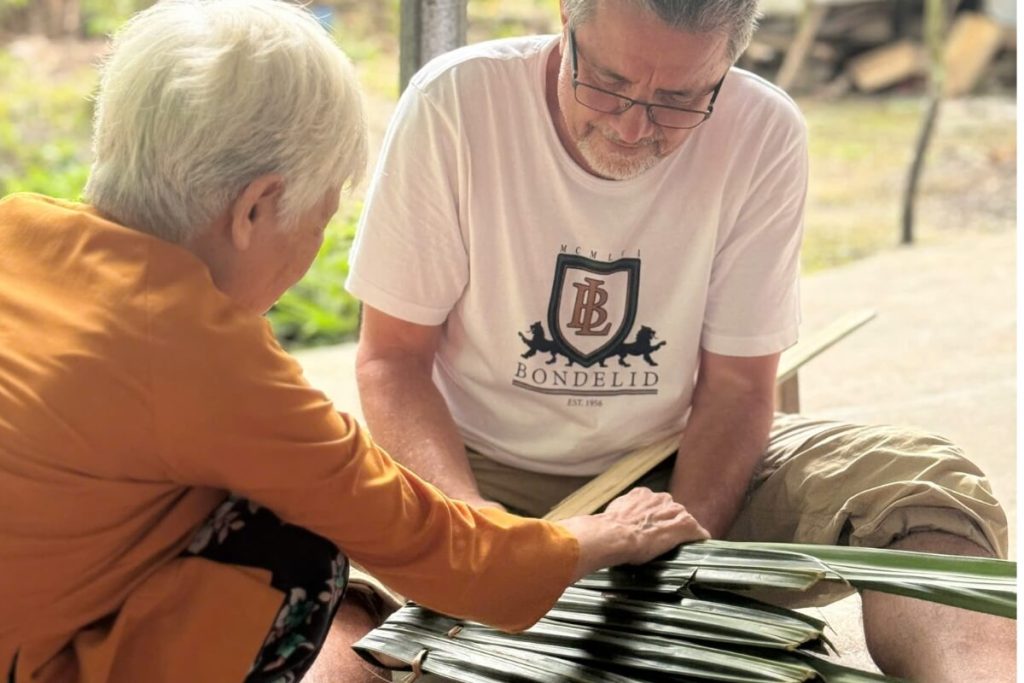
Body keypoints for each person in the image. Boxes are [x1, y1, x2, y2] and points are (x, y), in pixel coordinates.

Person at [0, 2, 714, 682]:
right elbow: (447, 555)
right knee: (295, 540)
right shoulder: (200, 355)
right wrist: (608, 533)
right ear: (255, 209)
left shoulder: (17, 226)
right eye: (321, 216)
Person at [346, 0, 1014, 680]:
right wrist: (484, 540)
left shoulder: (762, 130)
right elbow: (393, 360)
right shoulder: (459, 102)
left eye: (678, 99)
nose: (632, 126)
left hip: (671, 459)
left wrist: (677, 547)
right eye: (607, 83)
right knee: (304, 534)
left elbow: (737, 386)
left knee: (921, 486)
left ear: (729, 61)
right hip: (474, 465)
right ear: (566, 16)